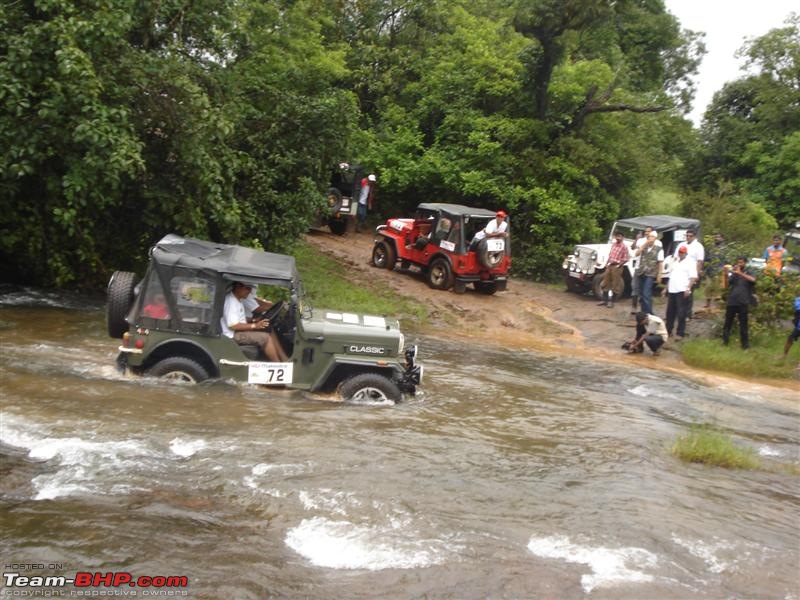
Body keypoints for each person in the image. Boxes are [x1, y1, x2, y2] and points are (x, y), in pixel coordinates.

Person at [221, 282, 288, 362]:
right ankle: (278, 364)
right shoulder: (231, 302)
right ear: (238, 286)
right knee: (266, 338)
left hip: (238, 331)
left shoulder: (237, 299)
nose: (249, 291)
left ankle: (284, 358)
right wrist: (255, 325)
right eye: (248, 288)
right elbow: (233, 325)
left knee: (269, 328)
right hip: (232, 335)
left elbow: (237, 319)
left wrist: (253, 320)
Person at [662, 245, 697, 340]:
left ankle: (680, 333)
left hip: (682, 289)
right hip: (672, 289)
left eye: (682, 252)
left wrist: (688, 288)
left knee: (681, 312)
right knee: (670, 312)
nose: (680, 253)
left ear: (686, 253)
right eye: (679, 252)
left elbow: (693, 277)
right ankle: (668, 331)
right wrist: (666, 288)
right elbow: (671, 276)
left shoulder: (690, 263)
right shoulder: (675, 262)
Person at [721, 257, 756, 349]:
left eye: (741, 262)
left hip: (743, 302)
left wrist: (740, 273)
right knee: (727, 323)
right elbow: (726, 286)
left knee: (743, 325)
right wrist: (725, 274)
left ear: (745, 263)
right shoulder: (734, 274)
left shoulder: (749, 271)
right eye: (738, 262)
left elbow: (753, 280)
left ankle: (745, 346)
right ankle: (725, 342)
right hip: (732, 301)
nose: (739, 264)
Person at [674, 229, 704, 318]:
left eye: (690, 236)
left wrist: (697, 274)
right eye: (687, 236)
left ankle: (687, 314)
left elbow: (700, 261)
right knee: (678, 292)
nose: (688, 237)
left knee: (688, 293)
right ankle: (677, 312)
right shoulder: (681, 245)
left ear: (694, 236)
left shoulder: (698, 246)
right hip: (680, 271)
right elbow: (676, 257)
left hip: (691, 272)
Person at [633, 231, 663, 316]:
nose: (650, 238)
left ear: (655, 238)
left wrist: (659, 274)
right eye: (649, 236)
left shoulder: (659, 249)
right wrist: (644, 245)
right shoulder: (644, 247)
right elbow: (636, 253)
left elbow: (660, 262)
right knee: (642, 294)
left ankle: (649, 313)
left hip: (651, 273)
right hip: (641, 272)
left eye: (652, 237)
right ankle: (644, 312)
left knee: (646, 293)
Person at [598, 230, 630, 308]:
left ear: (622, 237)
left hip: (617, 266)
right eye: (617, 236)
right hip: (610, 265)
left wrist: (619, 265)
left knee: (615, 284)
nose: (618, 238)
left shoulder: (624, 247)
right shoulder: (614, 245)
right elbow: (610, 255)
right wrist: (606, 264)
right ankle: (604, 300)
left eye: (619, 236)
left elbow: (626, 258)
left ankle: (611, 302)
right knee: (606, 282)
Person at [630, 226, 658, 311]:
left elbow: (658, 259)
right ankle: (634, 306)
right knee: (635, 287)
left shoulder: (658, 243)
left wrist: (658, 272)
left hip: (649, 269)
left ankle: (646, 310)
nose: (646, 233)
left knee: (646, 291)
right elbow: (633, 248)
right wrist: (636, 239)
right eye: (645, 231)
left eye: (649, 232)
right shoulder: (641, 240)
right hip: (639, 266)